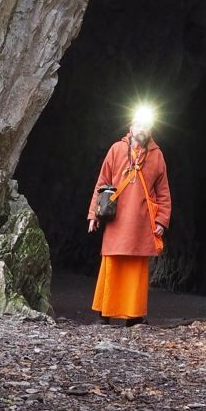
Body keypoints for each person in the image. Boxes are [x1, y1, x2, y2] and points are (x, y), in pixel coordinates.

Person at [88, 103, 171, 326]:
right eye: (139, 124)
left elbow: (163, 193)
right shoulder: (116, 150)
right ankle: (105, 314)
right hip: (116, 220)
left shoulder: (157, 156)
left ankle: (134, 317)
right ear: (131, 126)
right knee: (112, 264)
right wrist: (93, 215)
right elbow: (102, 183)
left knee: (137, 269)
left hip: (142, 222)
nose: (142, 129)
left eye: (146, 125)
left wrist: (162, 220)